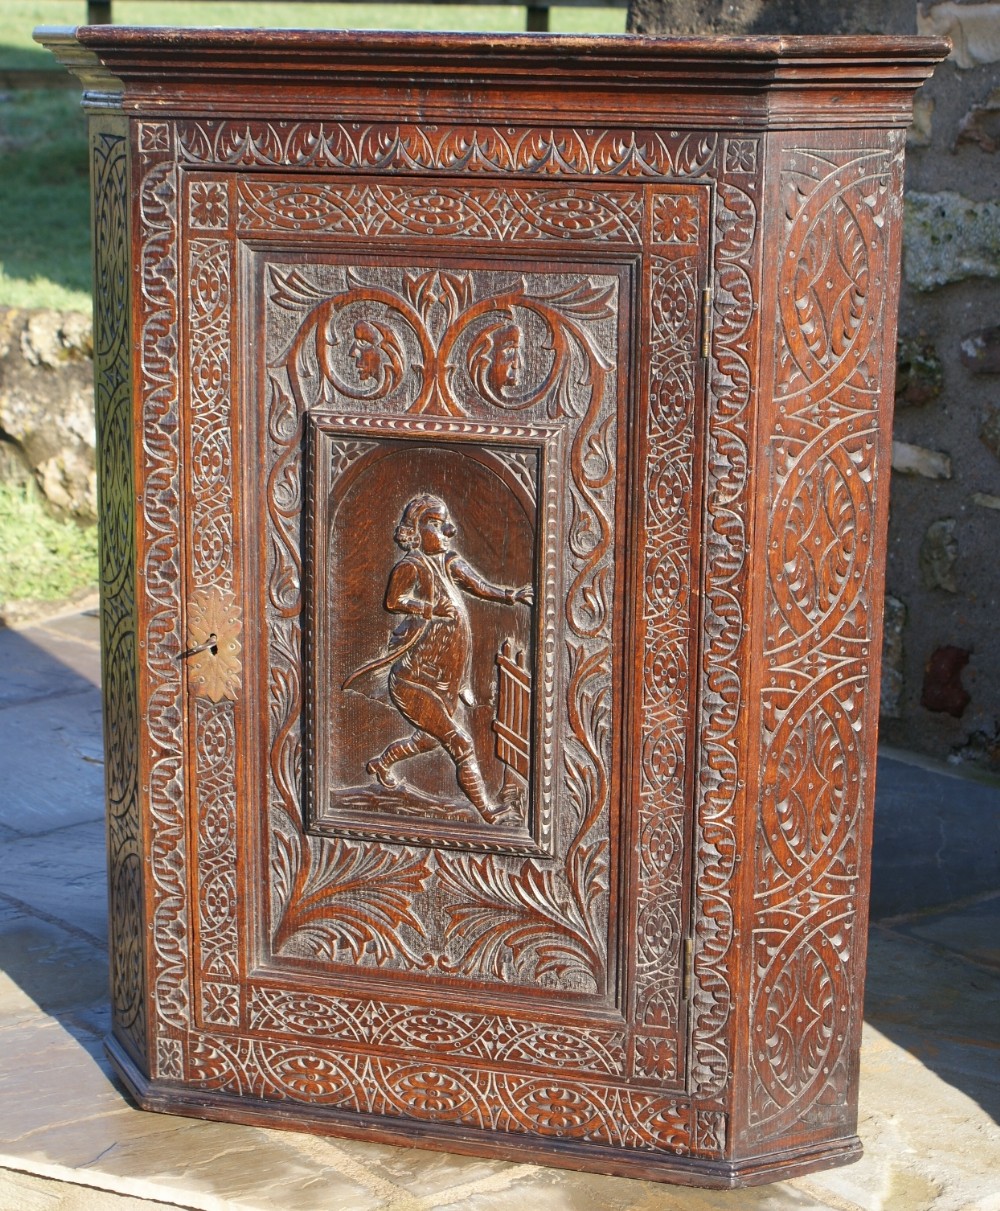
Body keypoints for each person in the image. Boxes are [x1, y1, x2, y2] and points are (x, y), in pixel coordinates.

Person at [345, 494, 532, 823]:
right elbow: (394, 600)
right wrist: (428, 608)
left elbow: (478, 585)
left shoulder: (449, 562)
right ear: (416, 529)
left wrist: (511, 594)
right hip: (414, 681)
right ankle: (488, 812)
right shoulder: (411, 565)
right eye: (434, 522)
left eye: (445, 522)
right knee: (460, 741)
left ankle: (381, 764)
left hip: (444, 680)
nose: (447, 529)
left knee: (427, 741)